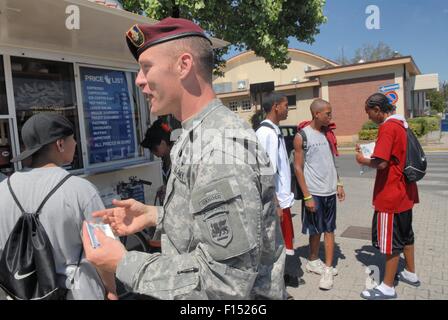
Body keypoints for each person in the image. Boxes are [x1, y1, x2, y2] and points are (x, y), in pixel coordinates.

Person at [81, 17, 287, 300]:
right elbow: (210, 226)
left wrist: (123, 262)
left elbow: (224, 285)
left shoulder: (220, 151)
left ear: (184, 65)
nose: (139, 79)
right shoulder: (196, 135)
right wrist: (153, 215)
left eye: (146, 67)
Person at [0, 113, 116, 300]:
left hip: (22, 294)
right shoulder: (81, 190)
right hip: (77, 293)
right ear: (60, 144)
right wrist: (111, 289)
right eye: (73, 138)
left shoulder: (3, 190)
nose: (76, 143)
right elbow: (103, 248)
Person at [356, 93, 419, 300]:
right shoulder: (402, 124)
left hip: (390, 194)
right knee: (406, 235)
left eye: (369, 113)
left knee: (390, 242)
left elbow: (381, 163)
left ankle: (387, 287)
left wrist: (362, 159)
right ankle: (410, 272)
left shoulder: (388, 127)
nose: (369, 118)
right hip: (406, 192)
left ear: (377, 109)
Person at [293, 98, 345, 290]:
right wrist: (307, 196)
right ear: (317, 113)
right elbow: (298, 168)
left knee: (329, 229)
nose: (330, 117)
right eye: (327, 113)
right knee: (315, 230)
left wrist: (339, 183)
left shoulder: (328, 134)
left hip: (329, 191)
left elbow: (332, 161)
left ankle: (328, 269)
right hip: (314, 192)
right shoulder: (302, 136)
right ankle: (313, 260)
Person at [140, 118, 173, 204]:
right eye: (150, 150)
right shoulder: (164, 161)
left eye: (154, 148)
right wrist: (165, 188)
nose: (153, 152)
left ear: (163, 143)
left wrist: (170, 189)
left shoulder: (180, 159)